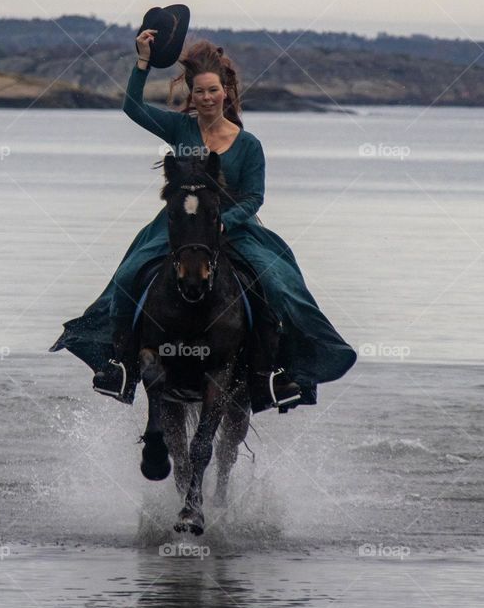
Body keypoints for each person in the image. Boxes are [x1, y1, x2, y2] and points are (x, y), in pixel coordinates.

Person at [49, 34, 357, 411]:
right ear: (191, 96)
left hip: (234, 227)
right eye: (200, 92)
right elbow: (132, 107)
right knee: (127, 278)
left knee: (279, 285)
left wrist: (226, 220)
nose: (207, 98)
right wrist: (143, 62)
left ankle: (277, 373)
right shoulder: (180, 130)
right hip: (179, 227)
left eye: (213, 91)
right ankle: (121, 366)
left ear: (225, 92)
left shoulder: (248, 144)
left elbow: (254, 197)